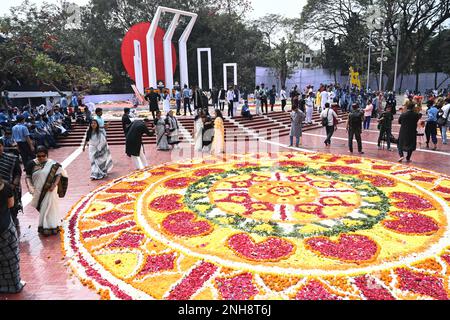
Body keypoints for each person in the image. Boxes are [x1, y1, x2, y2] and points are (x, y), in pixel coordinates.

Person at [25, 146, 67, 236]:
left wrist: (54, 185)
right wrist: (30, 187)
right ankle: (47, 225)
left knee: (50, 208)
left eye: (43, 156)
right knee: (42, 209)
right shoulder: (31, 164)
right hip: (38, 191)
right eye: (38, 156)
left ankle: (50, 227)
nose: (41, 158)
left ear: (46, 155)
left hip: (50, 190)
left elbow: (58, 174)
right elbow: (28, 176)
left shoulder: (52, 164)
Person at [0, 179, 25, 293]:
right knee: (11, 259)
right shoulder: (5, 186)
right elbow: (11, 204)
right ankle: (14, 286)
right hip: (5, 226)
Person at [0, 139, 22, 226]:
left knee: (12, 208)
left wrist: (12, 185)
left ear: (2, 146)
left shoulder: (12, 158)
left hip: (10, 189)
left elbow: (18, 173)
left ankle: (13, 223)